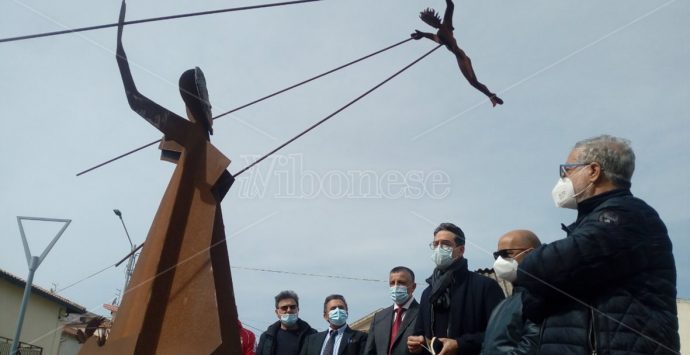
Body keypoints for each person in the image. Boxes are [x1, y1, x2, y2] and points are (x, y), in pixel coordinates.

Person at [518, 135, 680, 354]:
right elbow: (533, 304)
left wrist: (530, 265)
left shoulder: (627, 215)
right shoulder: (589, 225)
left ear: (593, 171)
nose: (563, 178)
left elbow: (540, 269)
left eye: (567, 170)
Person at [407, 223, 504, 355]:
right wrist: (418, 342)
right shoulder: (428, 293)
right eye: (436, 244)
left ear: (461, 250)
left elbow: (502, 332)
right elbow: (420, 332)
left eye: (446, 244)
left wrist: (460, 344)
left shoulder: (485, 286)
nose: (439, 248)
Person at [411, 0, 503, 107]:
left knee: (473, 82)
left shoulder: (446, 24)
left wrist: (423, 35)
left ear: (434, 19)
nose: (431, 24)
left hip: (460, 55)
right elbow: (432, 36)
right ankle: (491, 96)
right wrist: (422, 34)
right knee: (473, 82)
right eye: (428, 23)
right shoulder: (439, 34)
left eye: (430, 21)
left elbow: (450, 5)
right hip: (460, 57)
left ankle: (491, 96)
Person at [480, 230, 541, 355]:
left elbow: (531, 347)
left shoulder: (541, 298)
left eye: (507, 254)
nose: (500, 261)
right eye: (497, 256)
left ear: (531, 253)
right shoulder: (503, 304)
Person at [364, 266, 420, 355]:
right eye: (392, 283)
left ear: (413, 287)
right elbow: (370, 351)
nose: (396, 286)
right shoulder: (379, 318)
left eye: (401, 283)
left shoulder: (423, 313)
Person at [300, 294, 368, 355]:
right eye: (333, 308)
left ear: (346, 313)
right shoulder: (311, 340)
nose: (338, 311)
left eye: (341, 308)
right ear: (325, 316)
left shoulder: (360, 338)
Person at [257, 290, 317, 355]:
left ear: (298, 309)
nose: (289, 310)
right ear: (277, 312)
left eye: (292, 307)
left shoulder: (312, 335)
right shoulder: (267, 337)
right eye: (284, 308)